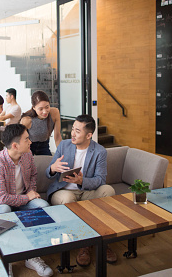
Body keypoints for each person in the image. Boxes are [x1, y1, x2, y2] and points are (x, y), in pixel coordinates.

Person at [0, 123, 52, 277]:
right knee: (5, 209)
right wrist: (27, 197)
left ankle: (31, 256)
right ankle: (7, 260)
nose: (30, 142)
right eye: (27, 139)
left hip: (23, 200)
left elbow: (33, 174)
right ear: (15, 145)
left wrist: (31, 191)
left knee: (42, 206)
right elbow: (0, 198)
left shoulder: (27, 155)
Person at [45, 114, 117, 267]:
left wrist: (81, 181)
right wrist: (52, 168)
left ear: (89, 135)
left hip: (86, 191)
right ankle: (84, 244)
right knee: (68, 200)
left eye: (77, 131)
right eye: (72, 129)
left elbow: (100, 180)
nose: (72, 134)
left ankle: (104, 240)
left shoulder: (100, 151)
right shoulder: (63, 145)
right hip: (63, 190)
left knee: (108, 190)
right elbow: (48, 174)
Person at [20, 90, 61, 155]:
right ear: (34, 108)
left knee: (50, 164)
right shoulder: (26, 120)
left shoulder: (55, 113)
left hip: (44, 145)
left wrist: (61, 154)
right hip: (29, 146)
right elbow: (21, 140)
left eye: (47, 107)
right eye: (41, 109)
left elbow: (57, 136)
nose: (45, 111)